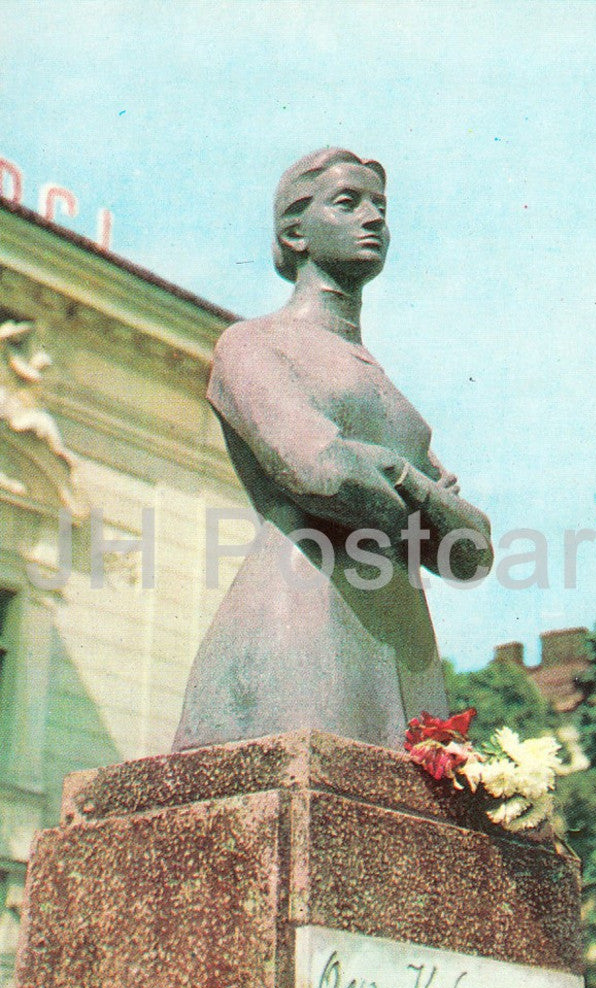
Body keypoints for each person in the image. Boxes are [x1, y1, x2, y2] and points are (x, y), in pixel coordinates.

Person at [172, 148, 493, 752]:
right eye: (348, 203)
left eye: (381, 207)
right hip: (304, 625)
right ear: (295, 232)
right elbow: (324, 474)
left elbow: (470, 554)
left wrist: (395, 474)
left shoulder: (398, 405)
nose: (373, 218)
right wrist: (424, 496)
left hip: (404, 655)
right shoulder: (254, 345)